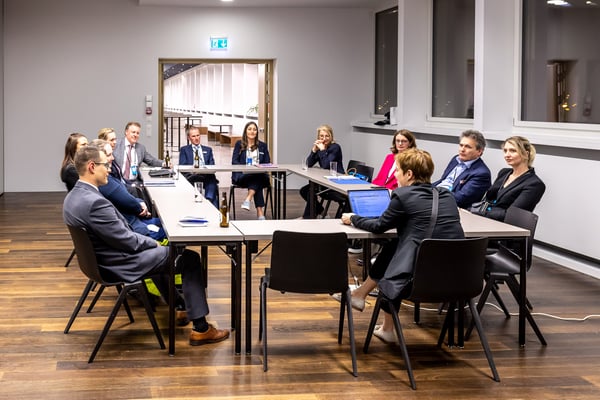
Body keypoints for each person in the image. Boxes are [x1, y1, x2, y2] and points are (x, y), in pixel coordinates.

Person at [63, 143, 229, 346]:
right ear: (91, 167)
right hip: (119, 263)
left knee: (164, 257)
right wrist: (154, 243)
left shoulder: (73, 197)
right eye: (105, 165)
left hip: (101, 263)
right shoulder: (95, 202)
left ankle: (181, 306)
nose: (108, 169)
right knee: (189, 258)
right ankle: (201, 329)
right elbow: (127, 240)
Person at [339, 148, 464, 343]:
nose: (395, 174)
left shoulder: (403, 195)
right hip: (457, 279)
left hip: (416, 282)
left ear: (409, 174)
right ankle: (366, 301)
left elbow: (379, 226)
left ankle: (379, 318)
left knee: (396, 266)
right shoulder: (447, 196)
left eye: (397, 170)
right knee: (394, 246)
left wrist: (354, 218)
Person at [91, 139, 167, 242]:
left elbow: (123, 189)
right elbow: (125, 199)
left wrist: (139, 202)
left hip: (134, 221)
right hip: (134, 228)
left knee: (167, 222)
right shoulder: (105, 182)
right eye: (109, 155)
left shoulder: (107, 178)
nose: (113, 158)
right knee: (168, 230)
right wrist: (140, 207)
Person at [471, 136, 545, 221]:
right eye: (505, 151)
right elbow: (489, 199)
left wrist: (483, 211)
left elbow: (512, 215)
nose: (507, 155)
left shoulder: (534, 184)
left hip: (505, 226)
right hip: (485, 219)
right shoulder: (504, 173)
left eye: (513, 151)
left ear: (526, 154)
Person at [433, 129, 491, 209]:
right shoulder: (455, 159)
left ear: (479, 151)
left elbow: (459, 199)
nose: (462, 150)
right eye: (461, 145)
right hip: (436, 196)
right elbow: (443, 181)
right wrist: (424, 188)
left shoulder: (481, 174)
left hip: (450, 206)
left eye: (468, 147)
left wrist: (432, 194)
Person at [299, 124, 345, 218]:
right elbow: (308, 164)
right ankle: (321, 212)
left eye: (327, 136)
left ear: (331, 136)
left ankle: (307, 218)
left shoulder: (335, 147)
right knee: (304, 190)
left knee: (310, 191)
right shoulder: (320, 148)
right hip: (325, 181)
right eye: (321, 136)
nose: (324, 138)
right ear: (318, 137)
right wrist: (314, 151)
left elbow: (326, 165)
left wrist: (323, 150)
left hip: (336, 183)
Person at [231, 121, 271, 220]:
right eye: (249, 129)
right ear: (245, 131)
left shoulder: (263, 146)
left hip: (259, 175)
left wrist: (257, 167)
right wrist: (245, 168)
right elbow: (234, 161)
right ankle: (260, 213)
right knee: (257, 179)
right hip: (243, 176)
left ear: (257, 132)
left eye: (254, 129)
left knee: (257, 176)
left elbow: (267, 162)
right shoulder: (239, 144)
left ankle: (248, 199)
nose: (252, 131)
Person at [179, 125, 219, 208]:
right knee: (210, 179)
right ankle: (208, 205)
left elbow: (212, 165)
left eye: (198, 135)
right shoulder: (184, 150)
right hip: (192, 176)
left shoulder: (208, 150)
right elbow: (183, 166)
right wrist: (193, 170)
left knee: (211, 177)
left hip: (206, 175)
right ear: (189, 138)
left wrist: (204, 170)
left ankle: (209, 200)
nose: (196, 138)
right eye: (193, 136)